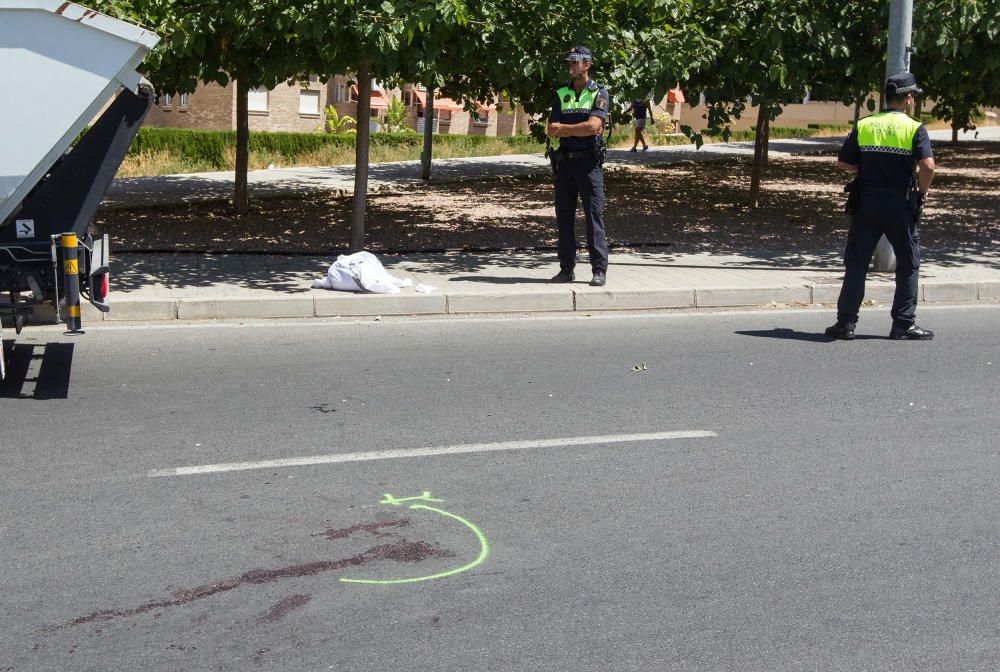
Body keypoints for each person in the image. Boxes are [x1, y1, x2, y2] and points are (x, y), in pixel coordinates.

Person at [825, 72, 936, 341]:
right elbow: (928, 166)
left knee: (857, 263)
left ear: (887, 98)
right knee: (908, 263)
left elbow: (843, 163)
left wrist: (867, 166)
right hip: (900, 204)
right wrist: (921, 192)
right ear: (909, 98)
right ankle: (903, 325)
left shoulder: (865, 124)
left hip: (866, 203)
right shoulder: (914, 127)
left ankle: (846, 324)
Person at [546, 45, 610, 287]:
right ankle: (566, 269)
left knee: (594, 215)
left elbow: (594, 127)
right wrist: (578, 128)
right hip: (565, 164)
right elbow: (551, 128)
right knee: (564, 217)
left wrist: (565, 129)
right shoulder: (561, 93)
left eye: (575, 61)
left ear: (587, 64)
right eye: (569, 62)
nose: (571, 66)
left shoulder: (599, 92)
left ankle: (599, 270)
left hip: (589, 163)